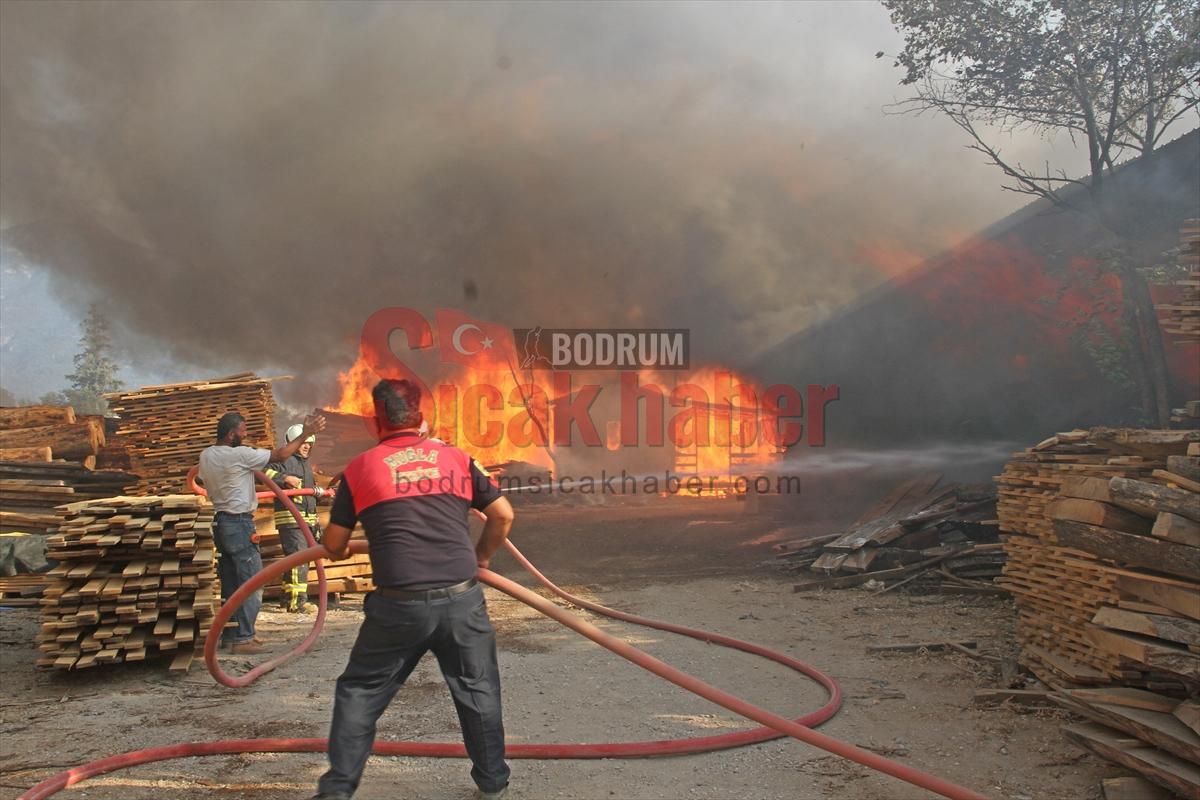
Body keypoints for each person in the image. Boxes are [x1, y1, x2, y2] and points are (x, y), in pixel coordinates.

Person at [311, 379, 515, 800]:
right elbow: (503, 516)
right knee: (477, 689)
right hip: (462, 600)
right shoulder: (457, 458)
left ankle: (335, 792)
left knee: (360, 692)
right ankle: (493, 783)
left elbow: (333, 546)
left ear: (374, 421)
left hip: (398, 607)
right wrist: (483, 559)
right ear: (423, 416)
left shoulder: (360, 470)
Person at [198, 410, 325, 655]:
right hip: (240, 523)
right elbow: (279, 455)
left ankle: (231, 636)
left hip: (220, 523)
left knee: (231, 584)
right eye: (243, 432)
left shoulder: (206, 456)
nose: (245, 436)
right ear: (232, 434)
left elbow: (203, 479)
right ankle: (244, 637)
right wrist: (307, 432)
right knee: (251, 582)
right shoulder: (240, 455)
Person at [265, 424, 327, 613]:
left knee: (298, 560)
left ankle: (286, 598)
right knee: (298, 559)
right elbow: (263, 472)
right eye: (304, 443)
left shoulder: (305, 464)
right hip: (291, 519)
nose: (307, 447)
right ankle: (297, 602)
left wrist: (320, 494)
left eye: (310, 444)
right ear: (294, 442)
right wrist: (284, 478)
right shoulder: (283, 459)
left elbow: (306, 493)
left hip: (307, 519)